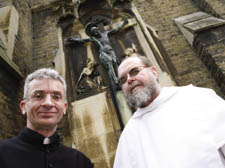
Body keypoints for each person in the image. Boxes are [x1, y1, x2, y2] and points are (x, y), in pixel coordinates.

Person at [113, 54, 225, 168]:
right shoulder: (128, 136)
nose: (129, 80)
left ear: (153, 72)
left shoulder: (195, 97)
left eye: (135, 71)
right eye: (123, 80)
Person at [0, 68, 94, 168]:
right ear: (24, 106)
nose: (48, 103)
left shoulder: (81, 162)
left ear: (64, 108)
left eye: (56, 96)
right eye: (38, 95)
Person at [67, 20, 128, 90]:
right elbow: (83, 40)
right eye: (94, 32)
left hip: (111, 52)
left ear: (98, 29)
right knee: (110, 66)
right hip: (103, 53)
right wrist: (73, 39)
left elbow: (115, 29)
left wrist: (123, 23)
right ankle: (115, 81)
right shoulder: (94, 38)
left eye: (96, 31)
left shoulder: (105, 33)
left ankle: (120, 79)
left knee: (115, 64)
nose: (96, 33)